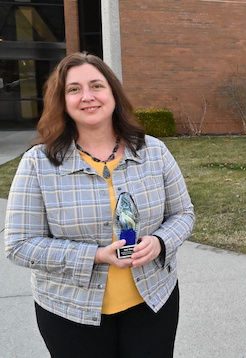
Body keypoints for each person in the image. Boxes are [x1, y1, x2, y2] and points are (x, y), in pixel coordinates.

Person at [4, 52, 195, 358]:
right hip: (70, 310)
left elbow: (183, 214)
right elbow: (19, 244)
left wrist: (160, 242)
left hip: (153, 300)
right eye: (74, 89)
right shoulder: (38, 164)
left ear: (113, 94)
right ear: (62, 101)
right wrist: (94, 255)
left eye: (97, 85)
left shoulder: (153, 152)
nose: (88, 96)